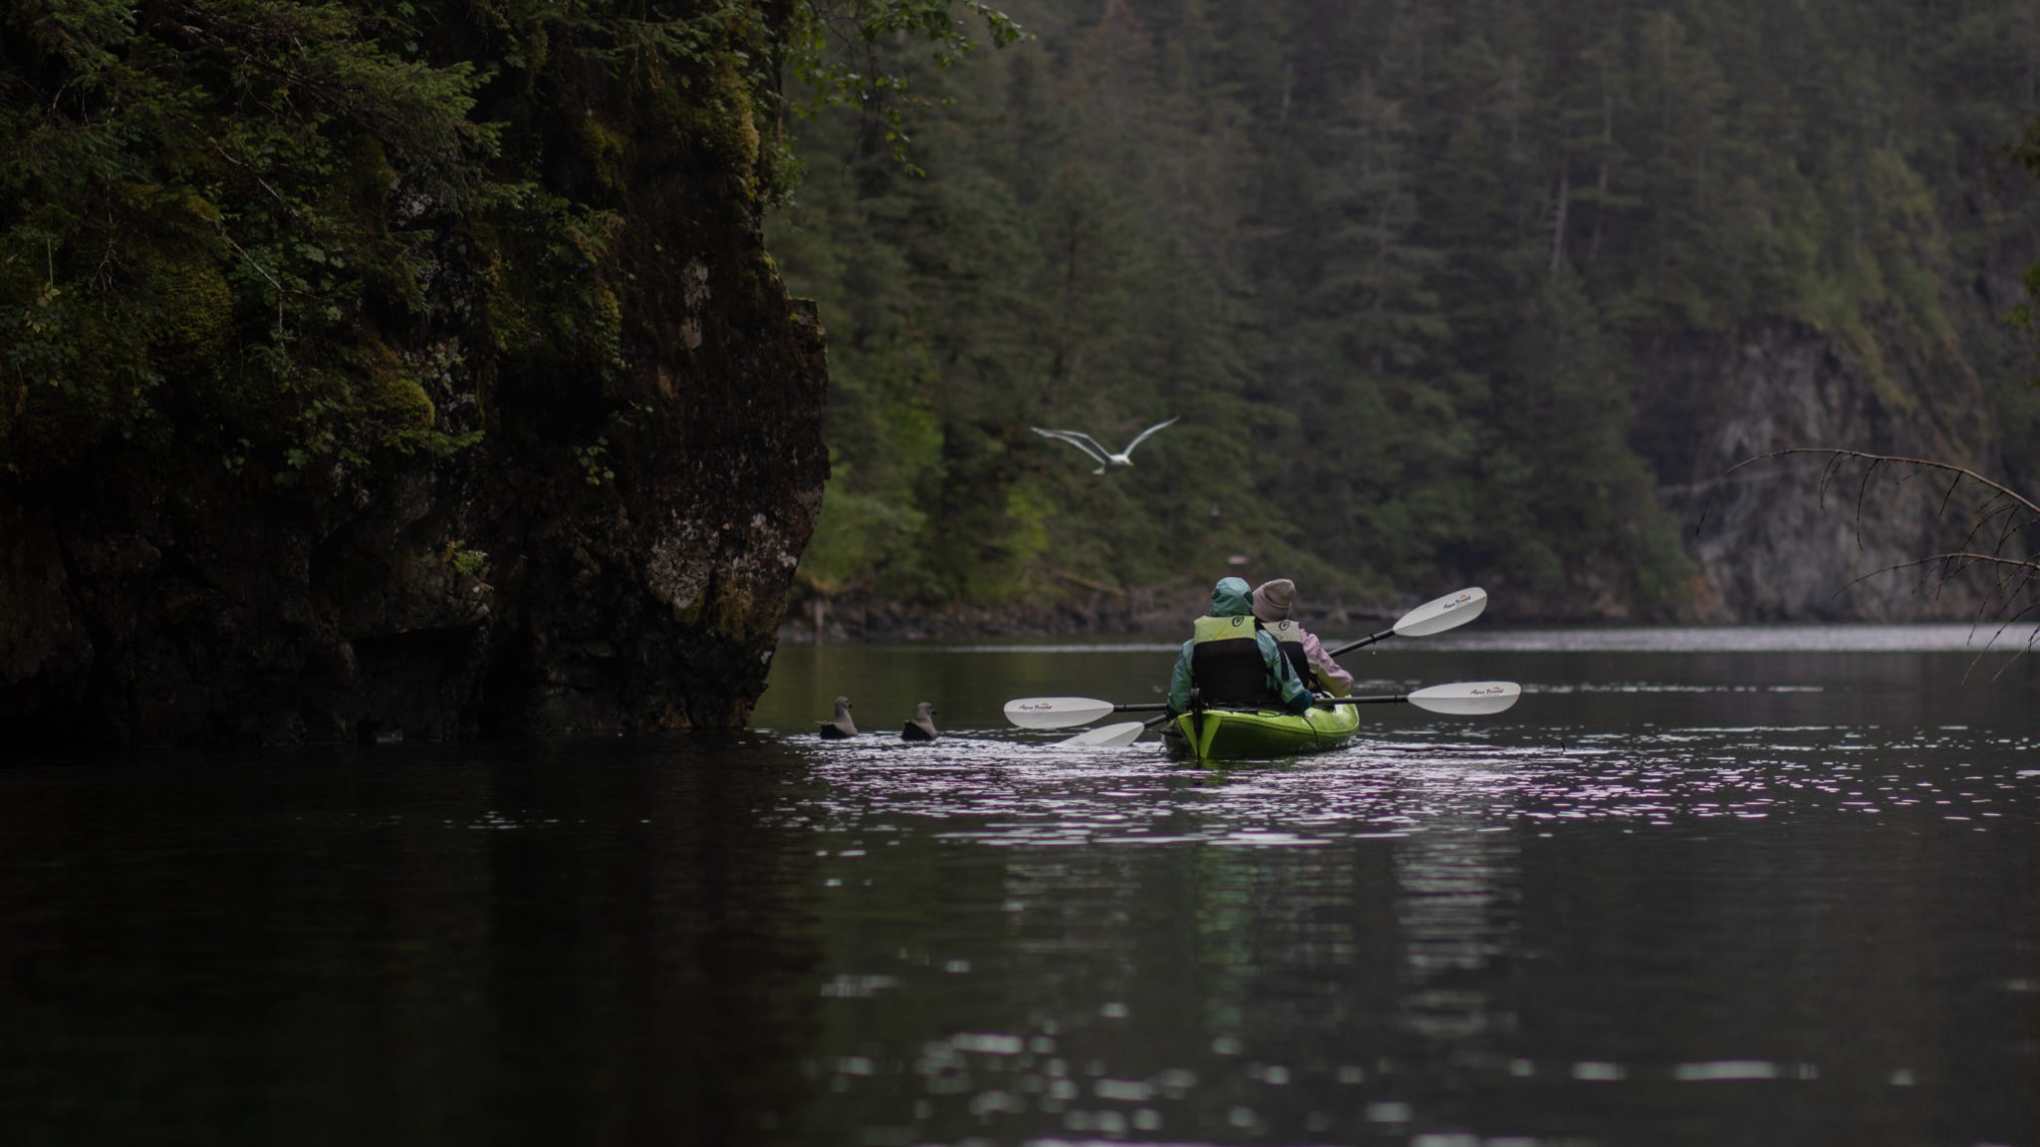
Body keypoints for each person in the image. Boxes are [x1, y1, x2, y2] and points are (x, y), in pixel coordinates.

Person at [1166, 577, 1316, 716]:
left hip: (1210, 713)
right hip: (1258, 713)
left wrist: (1173, 715)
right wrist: (1307, 699)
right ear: (1249, 603)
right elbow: (1294, 695)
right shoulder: (1266, 642)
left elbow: (1177, 702)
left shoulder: (1190, 647)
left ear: (1215, 600)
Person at [1251, 578, 1355, 698]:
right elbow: (1344, 685)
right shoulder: (1307, 642)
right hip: (1295, 707)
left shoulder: (1241, 637)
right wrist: (1318, 682)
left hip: (1250, 705)